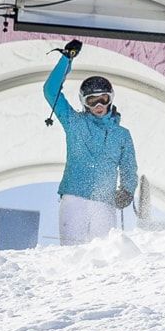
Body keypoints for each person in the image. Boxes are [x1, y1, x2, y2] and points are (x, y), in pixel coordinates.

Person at [44, 39, 138, 244]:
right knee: (73, 253)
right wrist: (66, 59)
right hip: (74, 199)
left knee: (103, 255)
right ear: (83, 102)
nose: (98, 105)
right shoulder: (74, 122)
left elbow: (129, 167)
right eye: (91, 100)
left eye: (103, 99)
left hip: (104, 203)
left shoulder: (122, 135)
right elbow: (50, 91)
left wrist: (128, 190)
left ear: (110, 99)